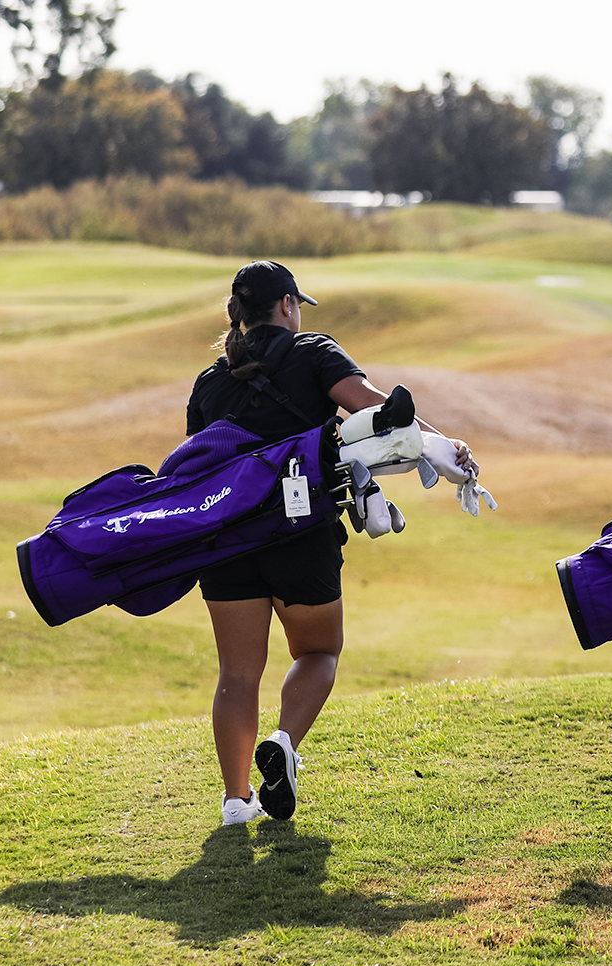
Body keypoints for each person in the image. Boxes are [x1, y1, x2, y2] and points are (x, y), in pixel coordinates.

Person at [189, 260, 474, 827]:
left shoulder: (210, 382)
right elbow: (378, 411)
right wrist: (447, 447)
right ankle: (285, 743)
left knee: (237, 675)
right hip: (300, 535)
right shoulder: (312, 352)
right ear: (288, 306)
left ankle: (234, 801)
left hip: (225, 542)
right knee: (318, 653)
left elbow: (199, 463)